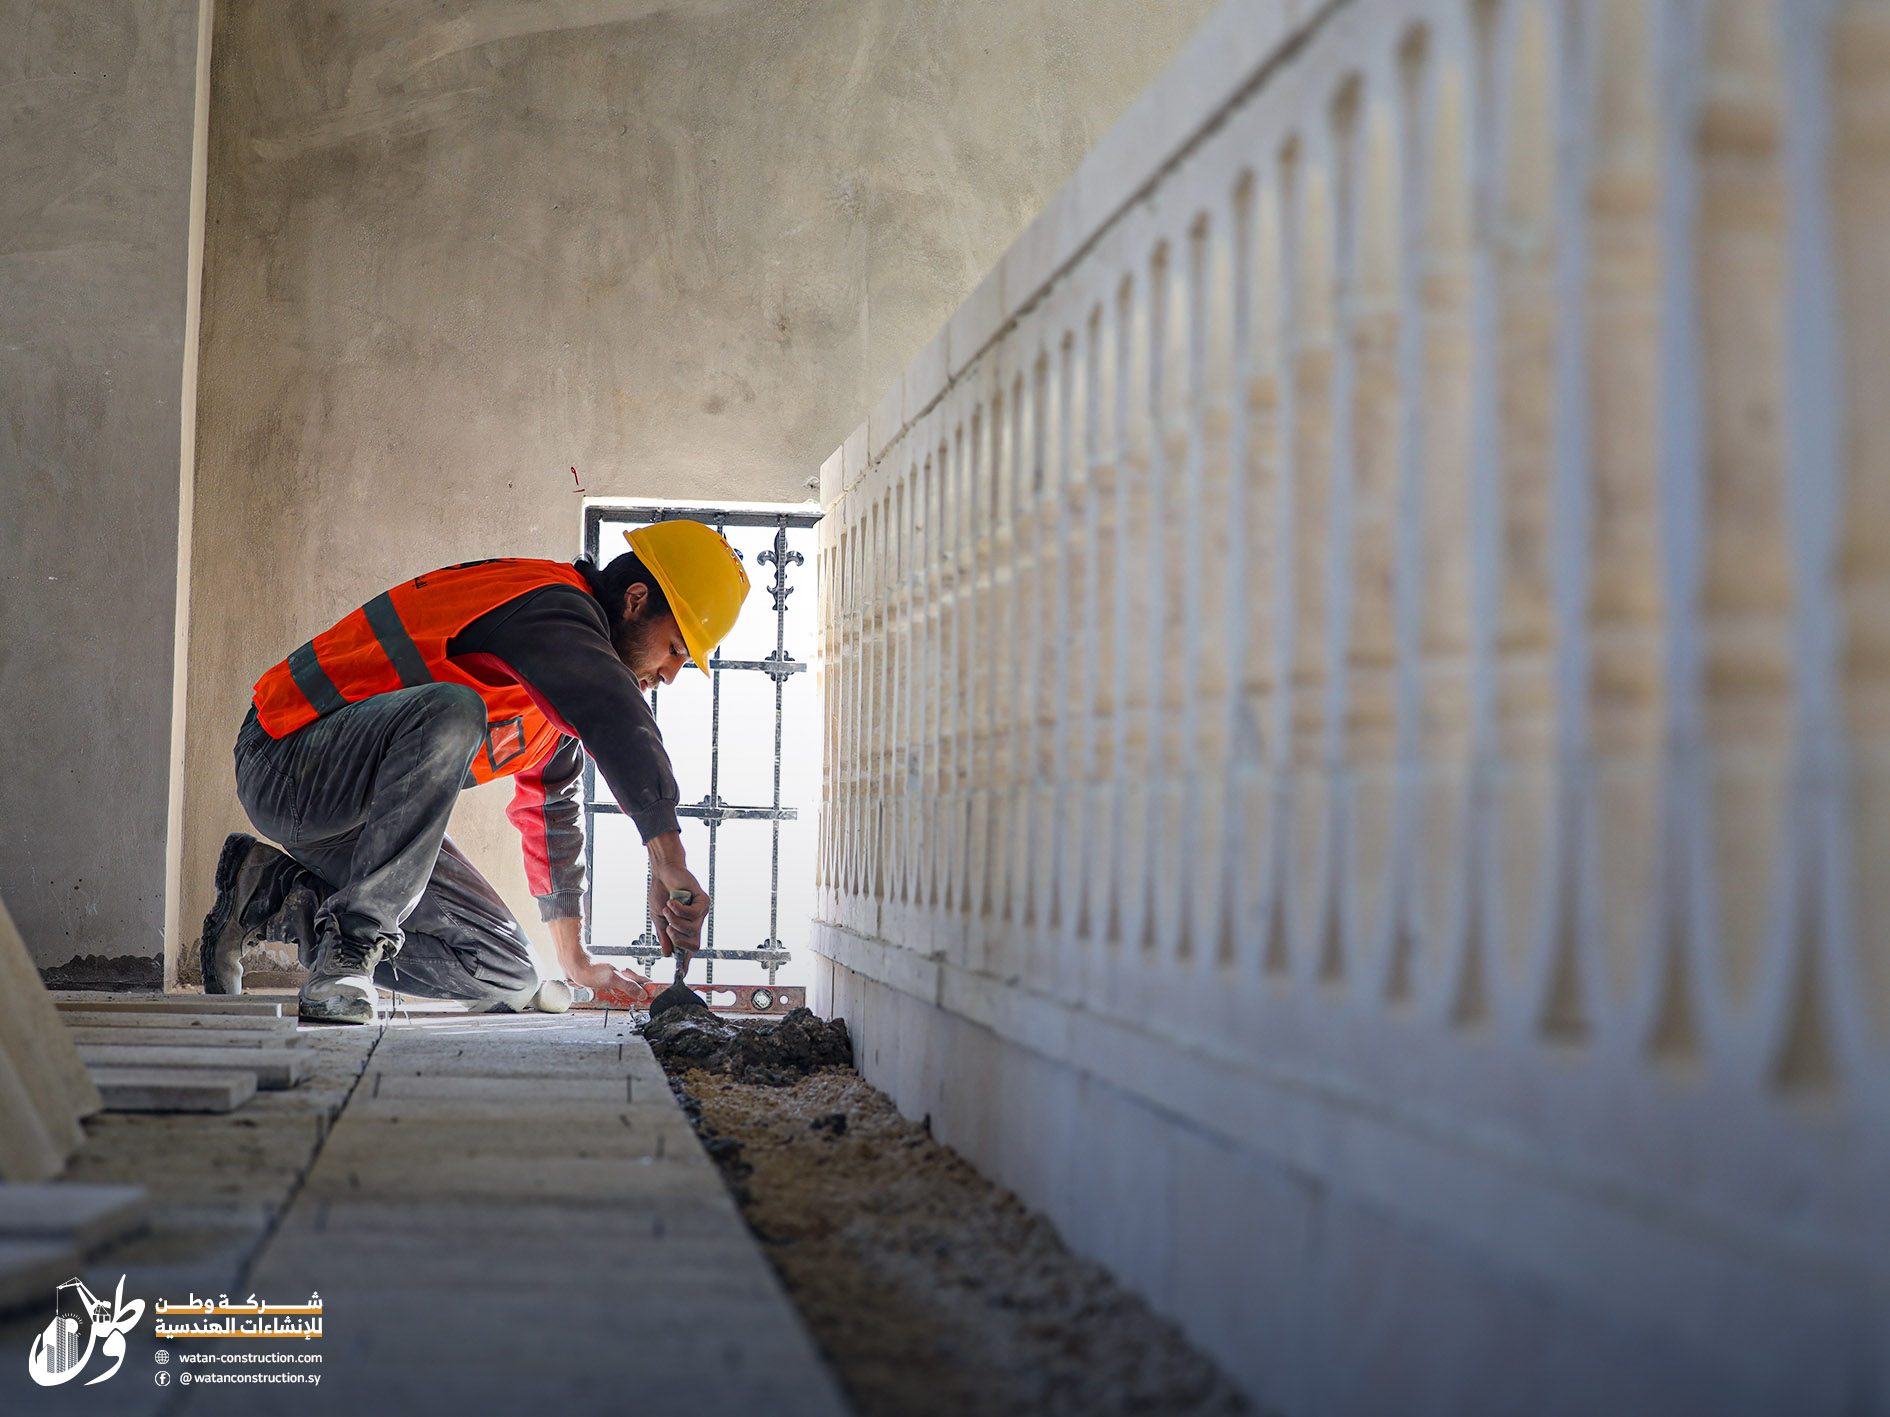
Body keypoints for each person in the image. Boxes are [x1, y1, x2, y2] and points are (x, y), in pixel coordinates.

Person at [194, 519, 749, 1024]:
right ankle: (349, 953)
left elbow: (552, 815)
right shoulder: (550, 604)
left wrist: (575, 961)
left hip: (366, 826)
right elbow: (615, 711)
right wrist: (669, 861)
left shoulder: (559, 705)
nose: (671, 675)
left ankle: (270, 895)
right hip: (287, 759)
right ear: (634, 600)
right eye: (676, 650)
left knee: (510, 973)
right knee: (453, 711)